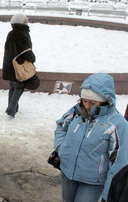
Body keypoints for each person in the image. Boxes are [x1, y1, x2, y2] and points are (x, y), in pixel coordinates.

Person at [54, 73, 128, 202]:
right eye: (84, 100)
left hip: (92, 182)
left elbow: (119, 163)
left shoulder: (117, 124)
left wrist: (108, 194)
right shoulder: (77, 111)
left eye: (93, 102)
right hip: (67, 172)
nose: (87, 106)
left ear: (106, 100)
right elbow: (61, 126)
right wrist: (61, 148)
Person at [2, 13, 36, 118]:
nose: (27, 22)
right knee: (19, 87)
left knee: (13, 87)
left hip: (10, 65)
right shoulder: (23, 34)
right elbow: (26, 52)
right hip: (20, 66)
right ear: (23, 22)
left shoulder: (11, 33)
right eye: (26, 20)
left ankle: (13, 107)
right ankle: (11, 109)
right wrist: (33, 58)